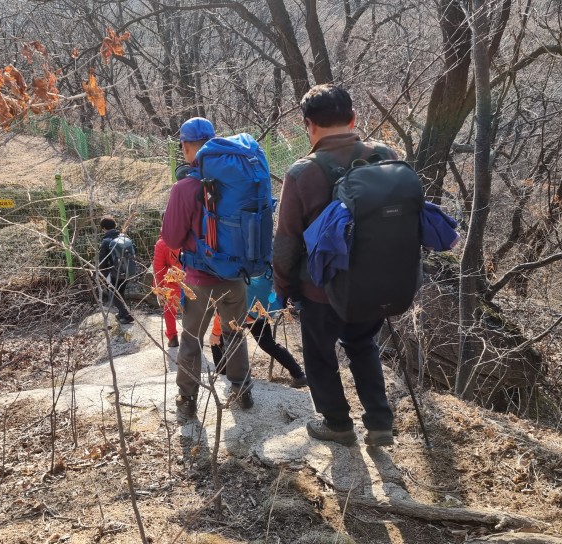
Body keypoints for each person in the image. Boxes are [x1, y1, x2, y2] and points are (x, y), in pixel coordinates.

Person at [273, 84, 399, 447]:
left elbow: (286, 241)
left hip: (321, 289)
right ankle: (379, 422)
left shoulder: (302, 173)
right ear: (354, 119)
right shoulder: (385, 156)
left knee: (319, 352)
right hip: (377, 282)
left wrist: (283, 288)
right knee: (363, 345)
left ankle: (337, 423)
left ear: (309, 124)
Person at [162, 117, 254, 420]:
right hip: (235, 277)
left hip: (199, 280)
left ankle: (187, 400)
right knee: (235, 334)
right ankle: (242, 391)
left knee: (191, 340)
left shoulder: (185, 187)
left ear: (187, 146)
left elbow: (171, 238)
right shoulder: (237, 179)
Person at [209, 275, 307, 388]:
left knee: (217, 341)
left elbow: (222, 313)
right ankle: (299, 375)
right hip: (260, 311)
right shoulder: (261, 266)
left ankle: (224, 375)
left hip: (240, 312)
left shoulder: (230, 273)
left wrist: (215, 334)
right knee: (268, 344)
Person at [98, 215, 134, 325]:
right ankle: (122, 314)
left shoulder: (105, 241)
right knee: (120, 291)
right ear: (115, 225)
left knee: (112, 293)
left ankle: (126, 315)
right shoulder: (124, 237)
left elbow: (102, 260)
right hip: (127, 270)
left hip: (113, 273)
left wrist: (102, 273)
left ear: (103, 228)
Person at [152, 234, 181, 347]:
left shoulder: (162, 243)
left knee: (169, 310)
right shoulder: (191, 238)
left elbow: (158, 269)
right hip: (191, 281)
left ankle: (173, 337)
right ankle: (196, 338)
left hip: (171, 284)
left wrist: (158, 289)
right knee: (193, 311)